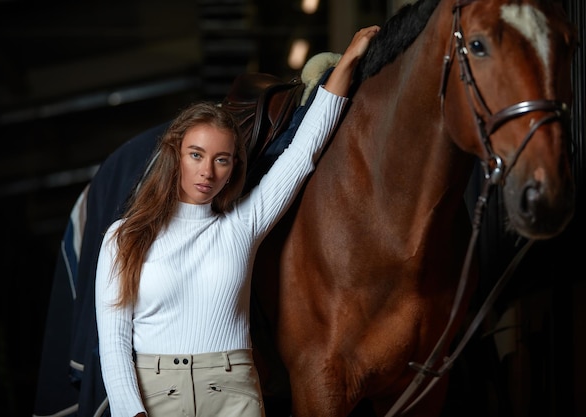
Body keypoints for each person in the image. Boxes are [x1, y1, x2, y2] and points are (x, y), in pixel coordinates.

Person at [95, 24, 380, 417]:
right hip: (154, 396)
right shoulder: (123, 238)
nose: (207, 171)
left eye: (221, 159)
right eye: (196, 154)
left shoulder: (242, 225)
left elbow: (303, 152)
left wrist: (348, 60)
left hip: (233, 392)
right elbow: (113, 344)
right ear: (175, 153)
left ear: (233, 168)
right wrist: (132, 413)